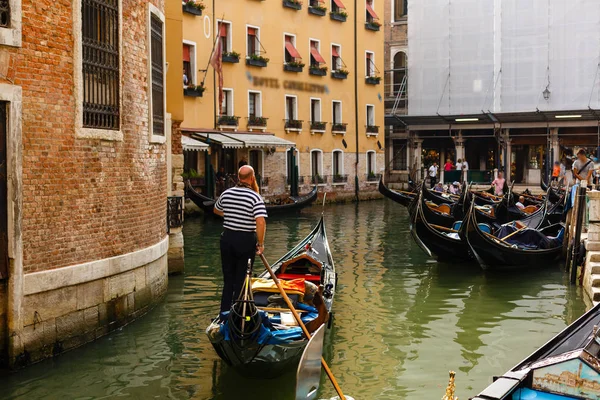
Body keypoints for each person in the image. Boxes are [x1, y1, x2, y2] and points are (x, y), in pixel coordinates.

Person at [214, 165, 267, 316]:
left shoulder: (227, 193)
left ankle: (224, 313)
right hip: (245, 240)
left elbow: (216, 210)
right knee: (242, 280)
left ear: (238, 178)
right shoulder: (255, 197)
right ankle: (238, 315)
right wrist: (261, 244)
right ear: (252, 178)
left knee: (228, 279)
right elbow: (261, 222)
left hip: (227, 239)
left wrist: (231, 216)